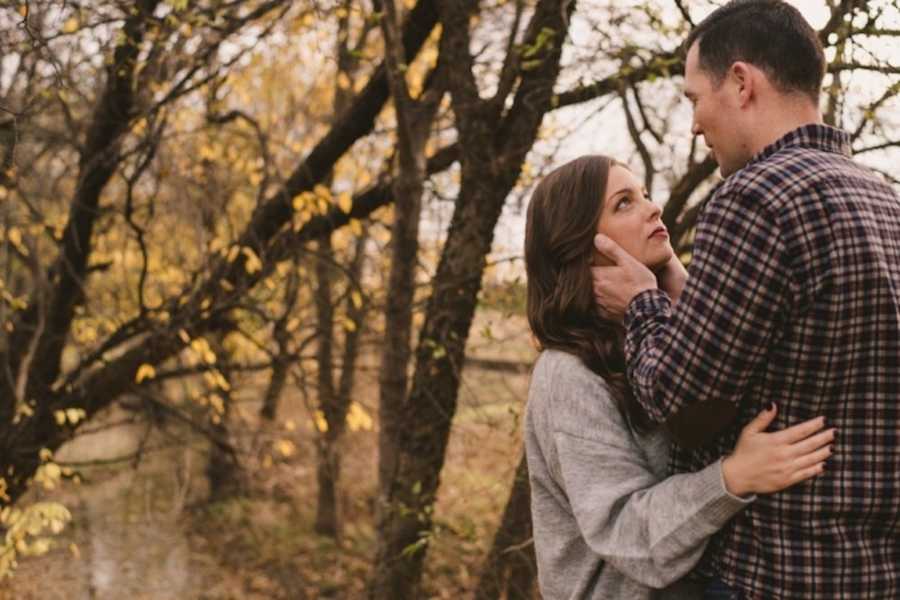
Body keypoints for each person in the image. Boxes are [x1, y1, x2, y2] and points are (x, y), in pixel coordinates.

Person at [590, 2, 900, 598]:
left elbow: (680, 404)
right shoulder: (884, 200)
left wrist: (642, 302)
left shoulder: (756, 198)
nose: (695, 125)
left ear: (740, 83)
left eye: (692, 98)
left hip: (777, 575)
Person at [523, 155, 834, 600]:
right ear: (582, 245)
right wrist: (733, 477)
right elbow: (626, 534)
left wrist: (673, 283)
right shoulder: (567, 374)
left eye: (646, 195)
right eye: (624, 204)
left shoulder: (650, 338)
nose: (653, 209)